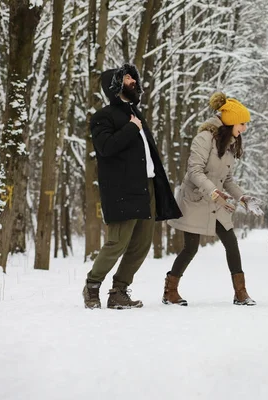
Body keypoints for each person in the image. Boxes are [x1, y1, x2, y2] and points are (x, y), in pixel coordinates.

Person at [82, 63, 182, 309]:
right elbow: (105, 148)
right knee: (118, 242)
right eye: (127, 78)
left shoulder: (137, 114)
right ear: (115, 85)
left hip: (146, 187)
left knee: (140, 245)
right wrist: (130, 128)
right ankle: (92, 285)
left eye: (133, 77)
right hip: (122, 190)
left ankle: (118, 291)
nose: (133, 81)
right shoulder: (103, 116)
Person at [163, 92, 262, 306]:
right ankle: (170, 291)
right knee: (190, 248)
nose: (245, 128)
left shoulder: (230, 142)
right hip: (197, 200)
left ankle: (241, 293)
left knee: (231, 244)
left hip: (218, 201)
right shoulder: (204, 138)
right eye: (242, 123)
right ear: (231, 121)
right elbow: (194, 171)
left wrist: (242, 197)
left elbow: (227, 179)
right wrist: (213, 192)